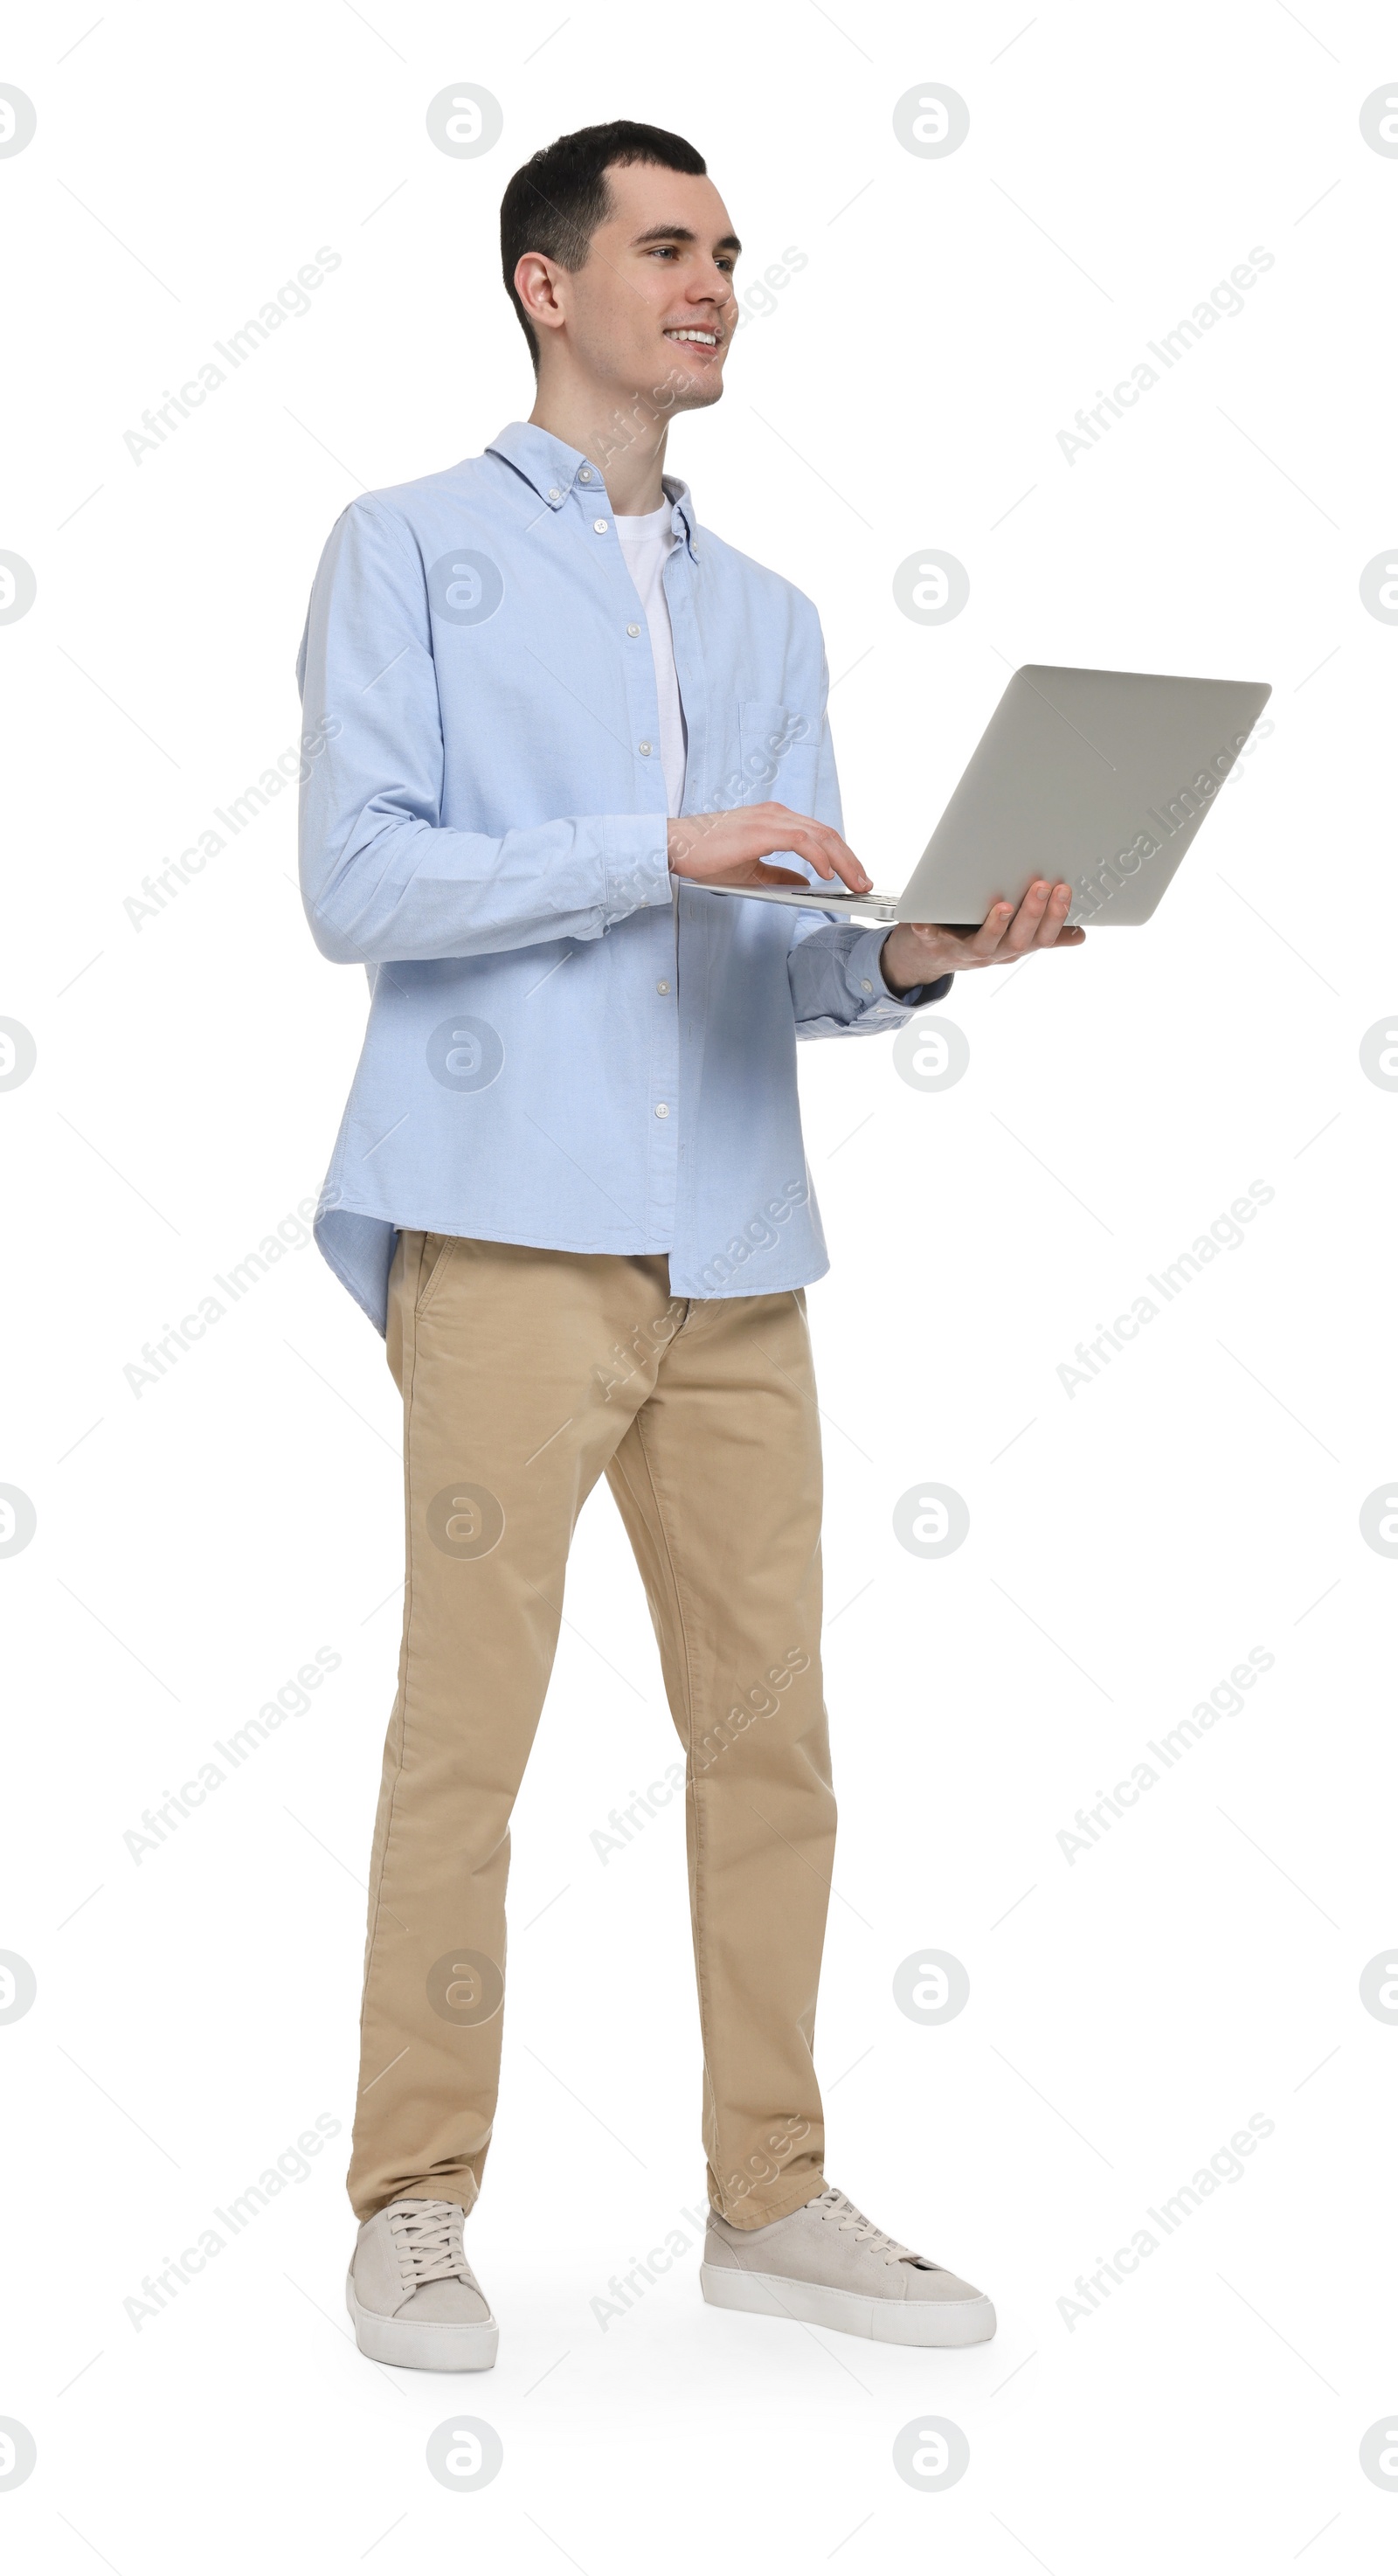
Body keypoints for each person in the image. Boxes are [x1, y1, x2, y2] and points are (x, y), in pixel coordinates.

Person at [295, 119, 1083, 2372]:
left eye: (730, 250)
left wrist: (925, 947)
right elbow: (361, 885)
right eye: (669, 247)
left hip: (738, 1246)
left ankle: (775, 2191)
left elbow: (797, 957)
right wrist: (654, 841)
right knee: (474, 1743)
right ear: (551, 286)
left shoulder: (773, 616)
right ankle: (415, 2200)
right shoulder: (407, 548)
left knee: (774, 1745)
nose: (715, 278)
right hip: (509, 1235)